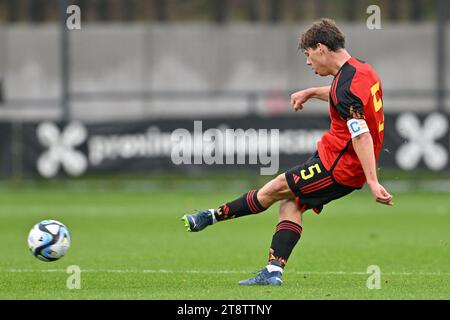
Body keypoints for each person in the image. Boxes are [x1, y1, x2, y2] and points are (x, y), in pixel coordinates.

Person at [181, 18, 393, 286]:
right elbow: (344, 94)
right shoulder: (362, 70)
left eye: (308, 54)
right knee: (291, 203)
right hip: (334, 158)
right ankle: (273, 272)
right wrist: (312, 92)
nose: (308, 62)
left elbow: (360, 133)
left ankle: (209, 216)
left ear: (321, 48)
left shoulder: (345, 87)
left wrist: (372, 182)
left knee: (274, 188)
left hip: (339, 166)